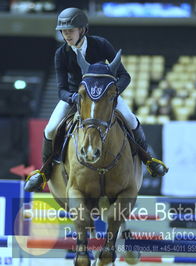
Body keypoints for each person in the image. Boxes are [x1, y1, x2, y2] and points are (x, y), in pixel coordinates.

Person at [24, 7, 168, 192]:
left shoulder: (100, 44)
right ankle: (44, 171)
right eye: (64, 31)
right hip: (75, 98)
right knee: (51, 128)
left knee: (131, 120)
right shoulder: (61, 53)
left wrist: (112, 94)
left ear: (82, 29)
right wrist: (74, 97)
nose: (67, 35)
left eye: (70, 30)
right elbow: (61, 89)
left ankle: (148, 160)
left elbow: (124, 76)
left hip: (103, 97)